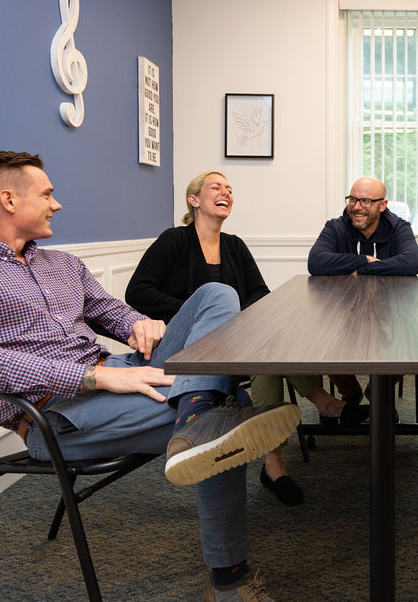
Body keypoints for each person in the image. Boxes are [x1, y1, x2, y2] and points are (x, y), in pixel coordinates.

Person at [0, 152, 300, 602]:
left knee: (218, 295)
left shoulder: (64, 265)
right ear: (8, 199)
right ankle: (228, 582)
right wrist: (97, 376)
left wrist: (141, 325)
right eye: (47, 194)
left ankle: (199, 414)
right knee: (231, 405)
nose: (57, 205)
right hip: (53, 414)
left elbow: (114, 312)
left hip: (119, 373)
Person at [126, 171, 369, 506]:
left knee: (268, 352)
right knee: (261, 344)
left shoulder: (234, 246)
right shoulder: (174, 240)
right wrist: (200, 312)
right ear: (193, 199)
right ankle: (324, 401)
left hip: (235, 341)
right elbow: (137, 292)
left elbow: (260, 293)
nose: (225, 192)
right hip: (189, 347)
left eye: (229, 189)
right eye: (216, 187)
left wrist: (241, 321)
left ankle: (274, 465)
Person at [307, 176, 418, 401]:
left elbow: (411, 263)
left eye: (366, 201)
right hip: (342, 309)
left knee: (406, 342)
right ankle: (351, 392)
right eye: (353, 200)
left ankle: (379, 394)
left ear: (382, 204)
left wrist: (361, 269)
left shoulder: (399, 227)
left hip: (390, 311)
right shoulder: (336, 227)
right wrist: (365, 259)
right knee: (323, 339)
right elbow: (316, 262)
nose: (357, 207)